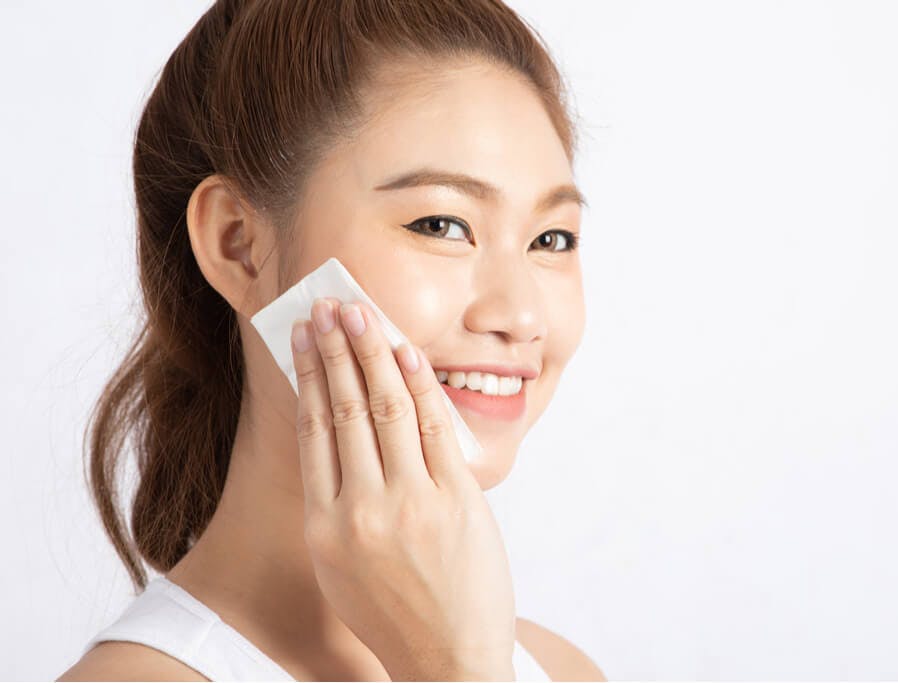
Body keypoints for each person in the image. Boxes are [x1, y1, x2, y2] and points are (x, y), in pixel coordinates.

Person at [58, 0, 602, 679]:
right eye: (440, 224)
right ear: (240, 245)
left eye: (552, 239)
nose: (521, 314)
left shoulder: (558, 667)